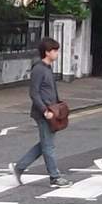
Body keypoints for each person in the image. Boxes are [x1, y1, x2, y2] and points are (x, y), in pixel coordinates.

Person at [9, 38, 73, 188]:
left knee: (45, 144)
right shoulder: (39, 69)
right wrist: (45, 111)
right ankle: (55, 177)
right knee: (49, 146)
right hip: (44, 113)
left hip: (52, 112)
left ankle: (19, 167)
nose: (57, 53)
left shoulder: (47, 68)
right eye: (55, 51)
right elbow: (34, 93)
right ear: (47, 52)